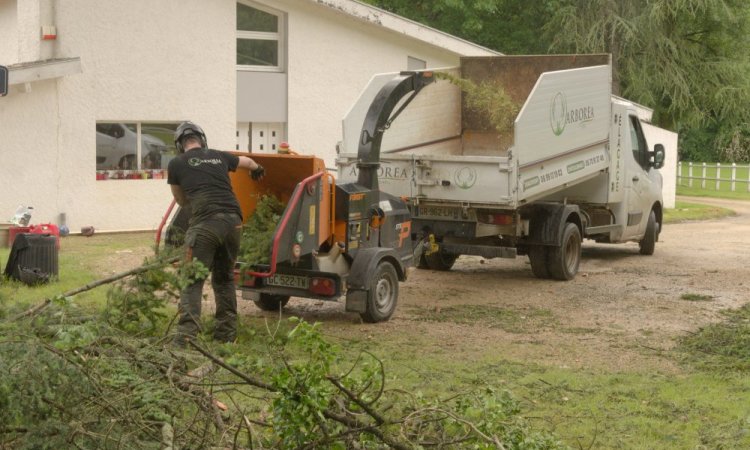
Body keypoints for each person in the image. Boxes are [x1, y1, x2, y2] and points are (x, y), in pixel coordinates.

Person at [167, 121, 265, 345]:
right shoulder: (220, 156)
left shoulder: (176, 163)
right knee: (224, 279)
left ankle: (185, 339)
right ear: (202, 139)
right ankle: (226, 336)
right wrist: (258, 169)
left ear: (180, 145)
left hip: (205, 225)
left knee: (192, 280)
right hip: (234, 222)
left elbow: (181, 200)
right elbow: (248, 162)